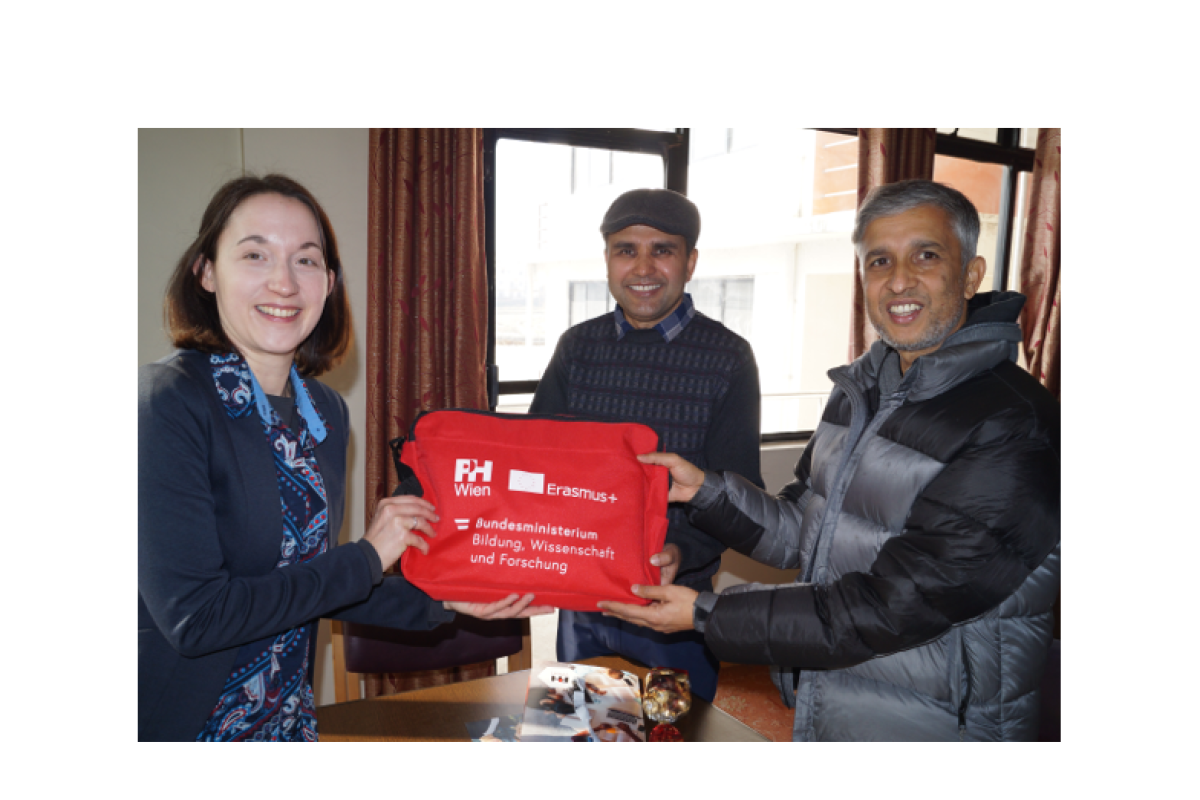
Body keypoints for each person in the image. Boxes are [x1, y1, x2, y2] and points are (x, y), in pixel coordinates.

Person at [600, 179, 1060, 741]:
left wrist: (706, 613)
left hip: (941, 727)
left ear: (971, 274)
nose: (898, 280)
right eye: (879, 260)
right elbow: (802, 533)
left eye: (926, 255)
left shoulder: (1012, 423)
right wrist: (705, 492)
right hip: (834, 699)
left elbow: (895, 604)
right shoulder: (860, 391)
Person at [139, 174, 549, 742]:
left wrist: (445, 595)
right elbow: (197, 617)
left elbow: (312, 582)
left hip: (288, 722)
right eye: (255, 254)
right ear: (206, 272)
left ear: (329, 283)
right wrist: (366, 556)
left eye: (306, 261)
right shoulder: (167, 402)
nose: (283, 282)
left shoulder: (324, 411)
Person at [530, 188, 763, 702]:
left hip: (676, 608)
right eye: (625, 249)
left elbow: (741, 493)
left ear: (690, 262)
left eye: (662, 249)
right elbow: (538, 463)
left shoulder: (729, 358)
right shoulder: (577, 347)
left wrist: (685, 550)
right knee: (582, 735)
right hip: (584, 600)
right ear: (608, 260)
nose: (643, 266)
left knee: (673, 740)